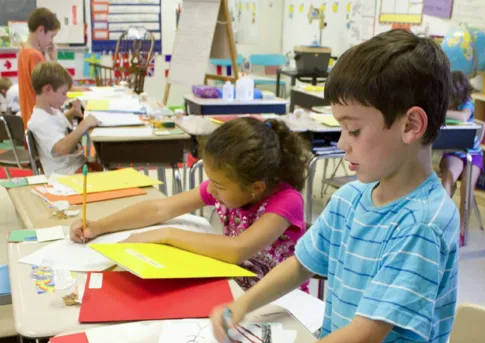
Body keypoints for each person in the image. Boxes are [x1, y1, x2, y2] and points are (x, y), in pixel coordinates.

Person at [181, 29, 459, 343]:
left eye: (354, 130)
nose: (342, 143)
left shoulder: (423, 224)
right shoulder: (351, 199)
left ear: (411, 125)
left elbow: (361, 342)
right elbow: (301, 265)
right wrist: (243, 305)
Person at [70, 117, 310, 292]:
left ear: (256, 187)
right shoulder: (230, 187)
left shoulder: (286, 202)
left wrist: (167, 234)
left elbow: (237, 248)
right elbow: (160, 208)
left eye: (219, 185)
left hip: (281, 302)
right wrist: (99, 226)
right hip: (237, 287)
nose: (212, 190)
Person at [18, 8, 86, 129]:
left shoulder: (23, 51)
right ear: (41, 30)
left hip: (31, 121)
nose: (51, 42)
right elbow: (54, 87)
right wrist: (54, 59)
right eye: (51, 36)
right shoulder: (35, 56)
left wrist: (73, 88)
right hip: (42, 124)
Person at [27, 61, 100, 175]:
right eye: (63, 93)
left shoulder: (51, 111)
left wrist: (72, 113)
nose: (65, 97)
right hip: (67, 173)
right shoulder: (40, 120)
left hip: (77, 163)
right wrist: (83, 125)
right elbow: (62, 148)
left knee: (104, 160)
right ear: (48, 89)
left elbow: (56, 125)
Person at [440, 71, 480, 246]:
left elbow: (463, 116)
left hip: (473, 153)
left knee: (467, 187)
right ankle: (443, 224)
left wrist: (443, 111)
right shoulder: (446, 101)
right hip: (454, 151)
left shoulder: (467, 102)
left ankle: (462, 231)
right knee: (448, 177)